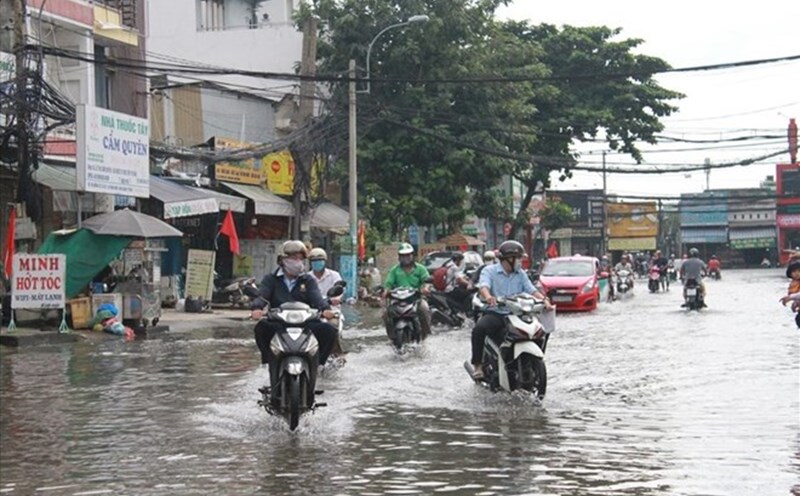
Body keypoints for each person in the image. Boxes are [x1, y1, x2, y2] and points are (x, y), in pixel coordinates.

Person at [470, 240, 555, 380]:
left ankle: (531, 363)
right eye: (519, 258)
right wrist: (489, 297)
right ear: (509, 259)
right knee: (479, 328)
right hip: (497, 313)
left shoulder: (520, 273)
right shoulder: (489, 271)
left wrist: (544, 300)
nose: (520, 262)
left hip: (518, 314)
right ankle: (478, 365)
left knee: (540, 331)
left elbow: (531, 289)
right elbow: (483, 286)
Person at [250, 240, 338, 366]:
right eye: (293, 258)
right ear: (282, 260)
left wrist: (325, 309)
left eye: (300, 258)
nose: (297, 262)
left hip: (305, 323)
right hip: (279, 323)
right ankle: (268, 362)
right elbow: (262, 296)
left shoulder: (308, 280)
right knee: (261, 328)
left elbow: (316, 297)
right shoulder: (271, 279)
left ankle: (318, 364)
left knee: (329, 331)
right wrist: (256, 308)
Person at [382, 243, 433, 341]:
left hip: (416, 299)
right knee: (386, 314)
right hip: (398, 300)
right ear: (399, 257)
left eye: (408, 255)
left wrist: (425, 288)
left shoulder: (420, 269)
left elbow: (426, 281)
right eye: (403, 255)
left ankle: (425, 334)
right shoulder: (395, 270)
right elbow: (388, 284)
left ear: (413, 255)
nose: (406, 258)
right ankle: (391, 336)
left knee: (424, 309)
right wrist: (384, 293)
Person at [779, 259, 800, 328]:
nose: (797, 273)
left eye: (799, 271)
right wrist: (795, 303)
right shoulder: (793, 284)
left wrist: (790, 297)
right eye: (794, 271)